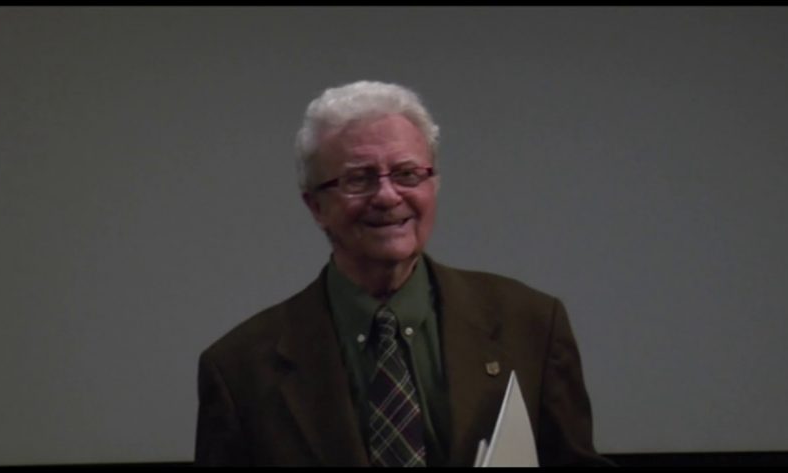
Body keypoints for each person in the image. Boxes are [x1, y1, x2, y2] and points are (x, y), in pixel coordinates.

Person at [195, 81, 613, 467]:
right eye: (359, 179)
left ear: (434, 185)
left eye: (407, 174)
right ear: (316, 206)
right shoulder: (240, 370)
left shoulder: (531, 325)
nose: (387, 195)